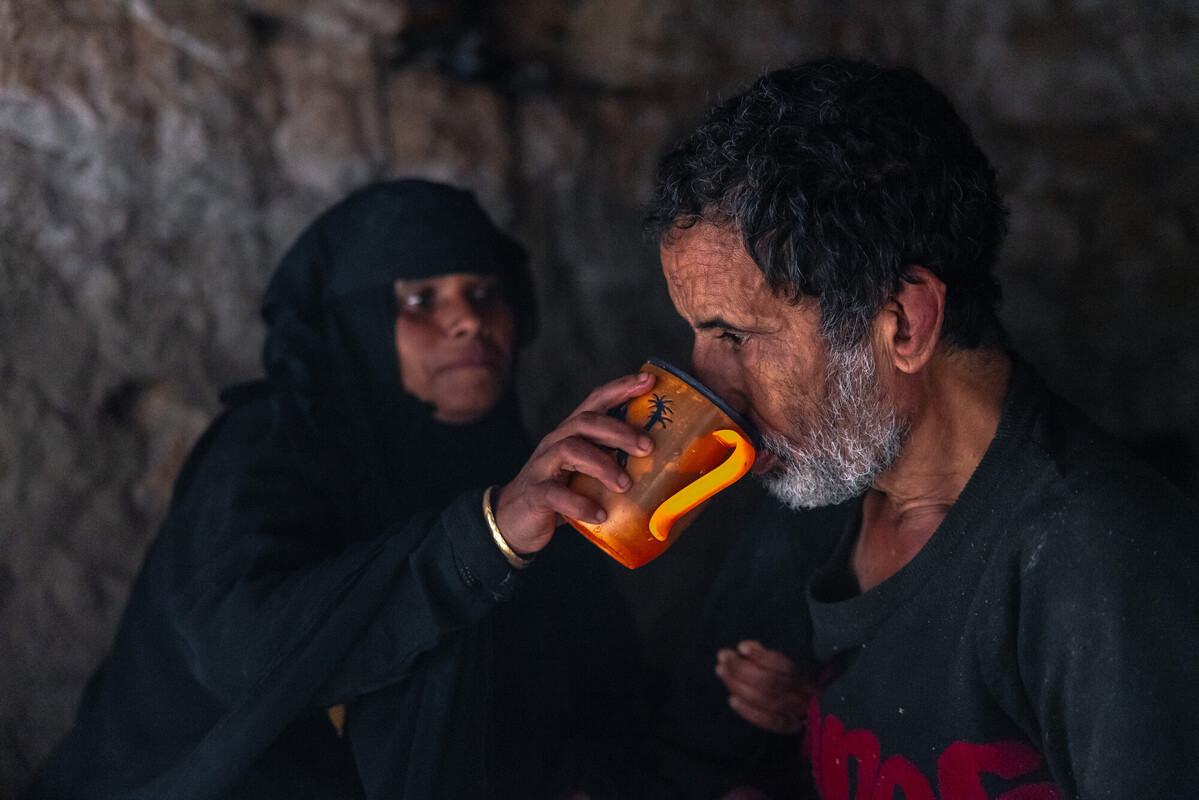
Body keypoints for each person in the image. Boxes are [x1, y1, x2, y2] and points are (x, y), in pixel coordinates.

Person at [643, 57, 1199, 798]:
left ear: (903, 323)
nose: (708, 387)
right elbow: (690, 762)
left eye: (734, 336)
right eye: (696, 336)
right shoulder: (814, 497)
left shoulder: (1099, 563)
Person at [26, 178, 655, 800]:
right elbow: (240, 655)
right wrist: (483, 538)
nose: (468, 320)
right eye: (420, 300)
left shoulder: (522, 470)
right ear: (357, 325)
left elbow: (598, 682)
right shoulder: (267, 447)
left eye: (486, 292)